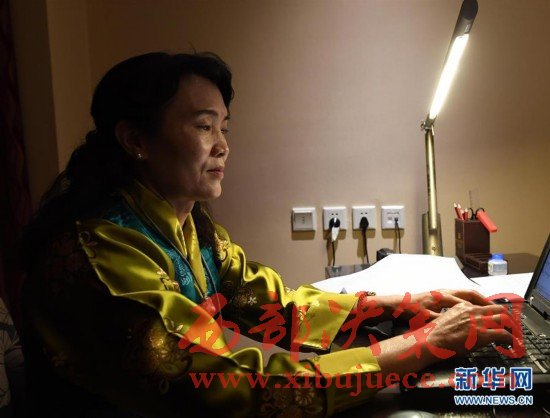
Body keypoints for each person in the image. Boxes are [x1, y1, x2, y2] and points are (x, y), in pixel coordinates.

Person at [21, 52, 517, 417]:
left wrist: (398, 306)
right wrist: (423, 344)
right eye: (204, 127)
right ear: (136, 140)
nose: (222, 146)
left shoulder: (188, 226)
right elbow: (235, 386)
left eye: (224, 128)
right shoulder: (102, 254)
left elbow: (272, 306)